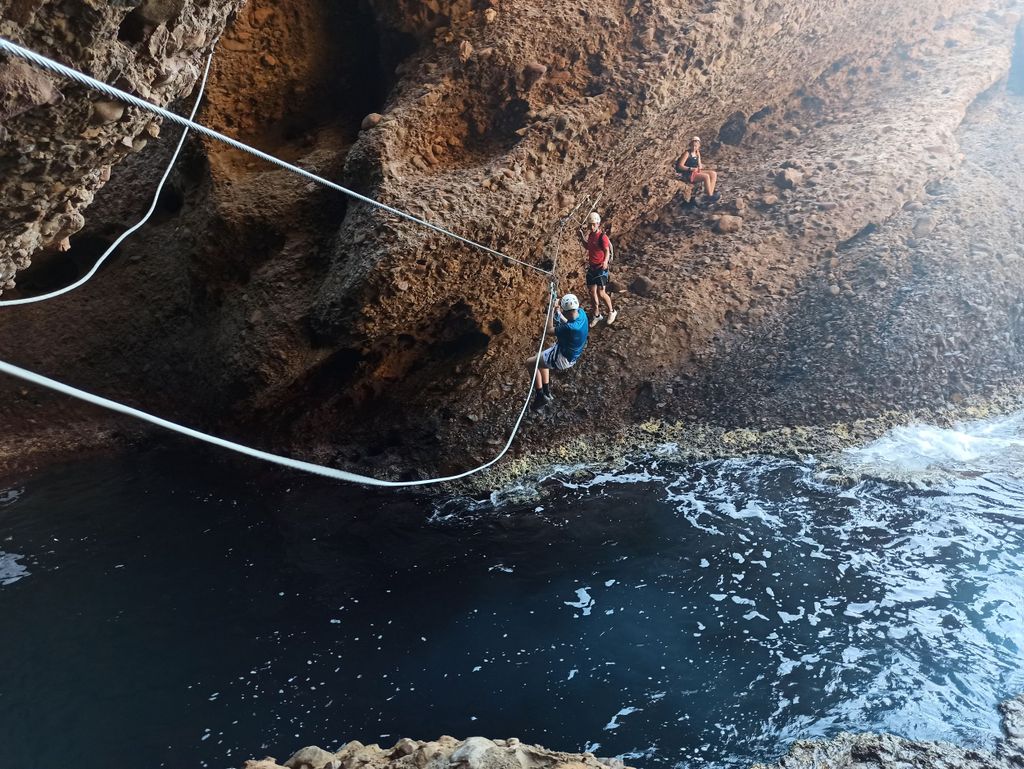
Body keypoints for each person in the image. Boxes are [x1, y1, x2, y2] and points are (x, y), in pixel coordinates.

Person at [527, 293, 588, 410]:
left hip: (562, 358)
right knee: (538, 359)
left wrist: (551, 308)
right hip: (568, 353)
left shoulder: (570, 329)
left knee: (530, 363)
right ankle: (546, 392)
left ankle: (540, 396)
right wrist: (559, 313)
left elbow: (549, 330)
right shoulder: (581, 313)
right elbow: (569, 321)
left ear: (566, 311)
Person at [579, 211, 617, 328]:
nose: (591, 227)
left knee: (601, 292)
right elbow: (588, 247)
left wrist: (605, 261)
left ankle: (611, 311)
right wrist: (581, 237)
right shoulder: (590, 236)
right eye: (590, 224)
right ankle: (596, 314)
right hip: (592, 267)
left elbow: (606, 251)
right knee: (592, 292)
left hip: (600, 267)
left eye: (593, 224)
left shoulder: (602, 237)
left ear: (598, 224)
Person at [674, 136, 720, 203]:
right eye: (692, 145)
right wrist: (690, 169)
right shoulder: (687, 153)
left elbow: (699, 164)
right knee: (706, 176)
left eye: (696, 146)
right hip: (688, 173)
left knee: (713, 173)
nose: (694, 147)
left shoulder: (697, 153)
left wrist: (700, 166)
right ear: (690, 145)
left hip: (695, 171)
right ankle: (709, 196)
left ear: (699, 146)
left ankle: (710, 192)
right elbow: (680, 166)